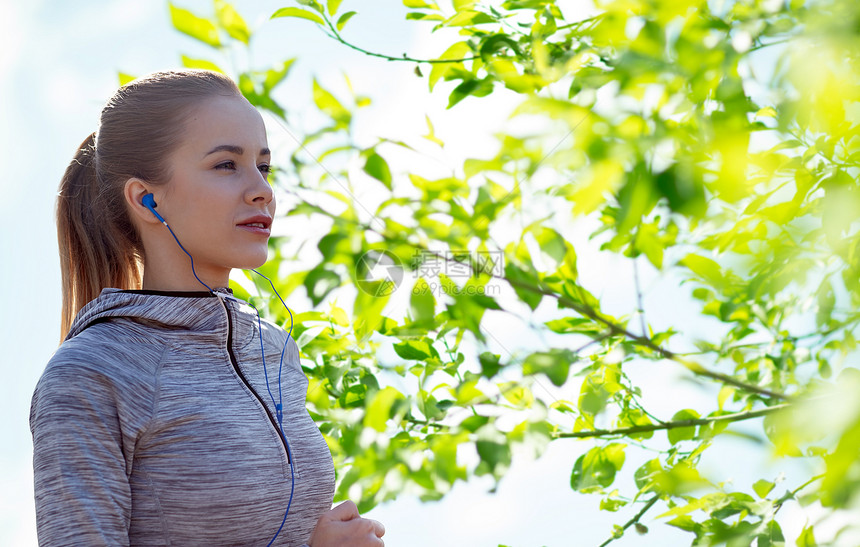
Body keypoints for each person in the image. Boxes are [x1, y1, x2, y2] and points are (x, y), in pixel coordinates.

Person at [29, 69, 385, 547]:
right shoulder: (93, 372)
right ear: (147, 199)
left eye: (264, 166)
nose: (262, 190)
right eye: (226, 165)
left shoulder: (275, 350)